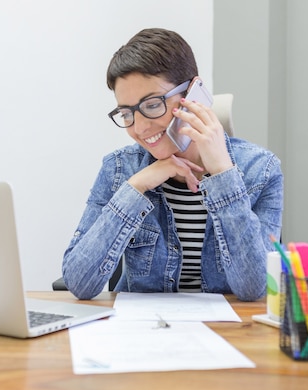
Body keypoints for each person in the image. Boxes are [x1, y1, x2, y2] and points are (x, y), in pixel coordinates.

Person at [62, 28, 283, 301]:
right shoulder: (119, 169)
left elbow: (253, 288)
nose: (140, 127)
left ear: (193, 94)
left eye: (152, 104)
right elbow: (78, 283)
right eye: (126, 113)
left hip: (227, 335)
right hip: (139, 334)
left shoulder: (261, 170)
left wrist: (223, 174)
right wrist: (137, 186)